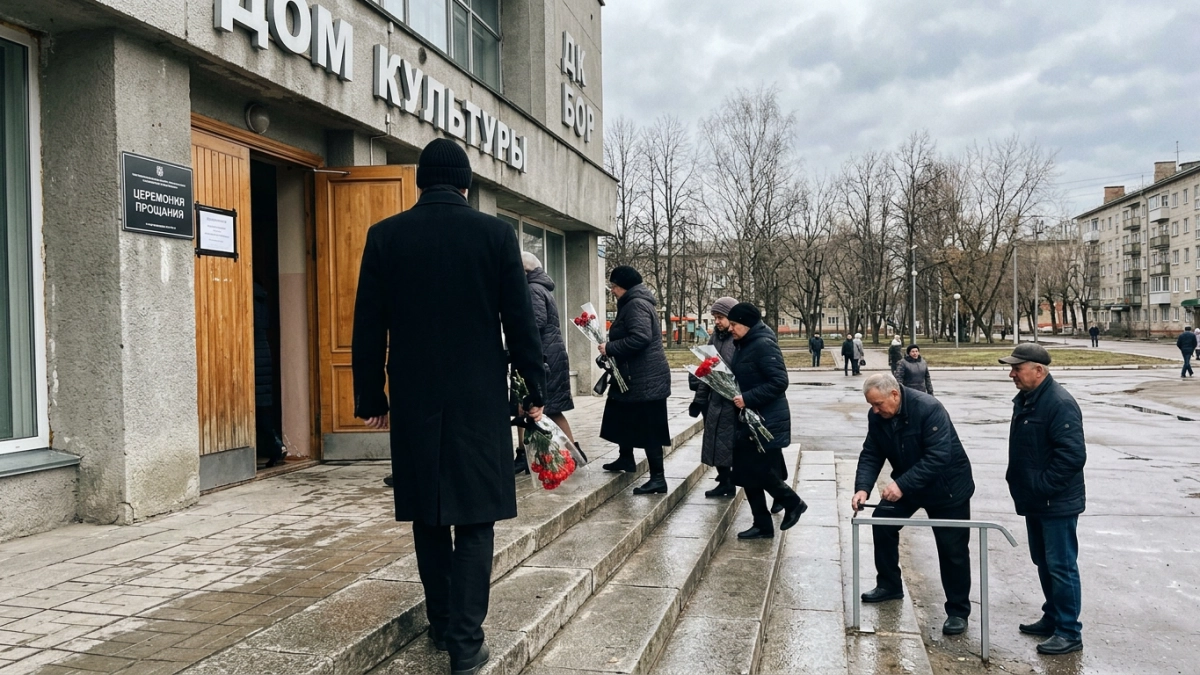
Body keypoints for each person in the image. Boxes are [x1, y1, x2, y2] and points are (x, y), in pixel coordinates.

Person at [351, 138, 546, 675]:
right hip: (478, 399)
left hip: (415, 400)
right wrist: (535, 391)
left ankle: (441, 622)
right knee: (476, 517)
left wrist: (371, 396)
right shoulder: (495, 235)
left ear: (420, 182)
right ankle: (465, 642)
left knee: (428, 514)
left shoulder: (386, 236)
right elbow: (521, 325)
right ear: (465, 184)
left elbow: (368, 324)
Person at [851, 373, 975, 636]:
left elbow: (939, 456)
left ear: (894, 395)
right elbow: (872, 452)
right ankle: (889, 585)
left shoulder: (929, 409)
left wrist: (901, 485)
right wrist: (862, 488)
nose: (874, 410)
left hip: (947, 487)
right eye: (871, 405)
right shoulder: (878, 416)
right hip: (910, 482)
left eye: (878, 404)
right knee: (882, 522)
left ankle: (957, 611)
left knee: (952, 549)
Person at [999, 343, 1086, 656]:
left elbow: (1072, 456)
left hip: (1056, 503)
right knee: (1044, 562)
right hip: (1037, 501)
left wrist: (1041, 487)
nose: (1012, 374)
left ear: (1038, 369)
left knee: (1061, 566)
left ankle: (1068, 631)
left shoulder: (1059, 403)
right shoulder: (1027, 399)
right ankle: (1053, 618)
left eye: (1017, 369)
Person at [725, 302, 806, 539]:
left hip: (765, 420)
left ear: (747, 324)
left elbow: (779, 382)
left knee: (757, 471)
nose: (731, 329)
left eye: (734, 324)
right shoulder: (744, 344)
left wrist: (747, 398)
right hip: (750, 419)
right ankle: (762, 524)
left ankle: (793, 502)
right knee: (746, 473)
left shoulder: (762, 344)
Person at [599, 266, 673, 495]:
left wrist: (610, 347)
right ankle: (625, 458)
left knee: (650, 428)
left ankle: (658, 479)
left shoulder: (636, 304)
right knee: (620, 415)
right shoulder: (633, 302)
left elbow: (640, 337)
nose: (612, 290)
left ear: (624, 286)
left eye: (614, 286)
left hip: (646, 379)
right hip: (634, 376)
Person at [515, 252, 583, 473]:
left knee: (545, 406)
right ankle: (569, 452)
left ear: (524, 271)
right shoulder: (540, 287)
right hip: (548, 354)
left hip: (541, 356)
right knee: (534, 407)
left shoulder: (532, 289)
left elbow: (534, 322)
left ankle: (572, 453)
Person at [688, 297, 740, 498]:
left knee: (730, 444)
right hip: (715, 401)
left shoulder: (738, 338)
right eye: (715, 317)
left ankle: (733, 480)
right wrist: (699, 400)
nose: (717, 321)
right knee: (715, 444)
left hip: (734, 401)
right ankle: (724, 481)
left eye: (721, 317)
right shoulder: (715, 338)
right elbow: (706, 370)